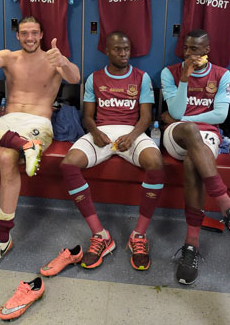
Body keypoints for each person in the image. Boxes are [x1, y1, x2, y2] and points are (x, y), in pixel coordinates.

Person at [0, 16, 80, 273]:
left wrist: (63, 61)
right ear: (18, 36)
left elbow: (74, 78)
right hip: (7, 122)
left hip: (37, 123)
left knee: (6, 157)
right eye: (24, 33)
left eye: (34, 33)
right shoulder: (9, 57)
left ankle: (1, 237)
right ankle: (23, 144)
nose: (29, 38)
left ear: (41, 34)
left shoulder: (53, 58)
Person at [160, 29, 230, 285]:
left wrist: (184, 119)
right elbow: (175, 110)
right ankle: (229, 207)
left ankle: (191, 247)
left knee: (194, 161)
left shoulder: (222, 74)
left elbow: (220, 116)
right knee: (190, 131)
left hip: (206, 136)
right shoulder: (169, 73)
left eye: (197, 49)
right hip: (176, 134)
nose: (192, 54)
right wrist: (184, 78)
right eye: (188, 49)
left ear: (207, 51)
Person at [59, 31, 164, 272]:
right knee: (68, 164)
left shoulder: (142, 77)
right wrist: (95, 131)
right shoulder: (94, 78)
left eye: (126, 49)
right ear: (107, 51)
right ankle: (100, 235)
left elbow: (147, 116)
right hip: (102, 132)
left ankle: (138, 236)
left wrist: (133, 135)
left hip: (132, 132)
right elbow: (87, 115)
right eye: (118, 49)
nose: (123, 53)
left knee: (156, 163)